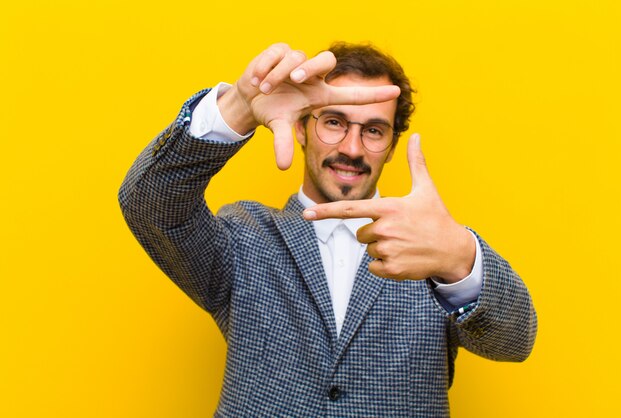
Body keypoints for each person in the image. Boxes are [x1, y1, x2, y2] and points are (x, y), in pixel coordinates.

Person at [119, 42, 537, 417]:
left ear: (391, 146)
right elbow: (147, 203)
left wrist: (462, 258)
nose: (352, 149)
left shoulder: (433, 251)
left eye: (373, 130)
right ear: (301, 126)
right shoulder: (243, 238)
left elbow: (515, 341)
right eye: (334, 122)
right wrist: (239, 107)